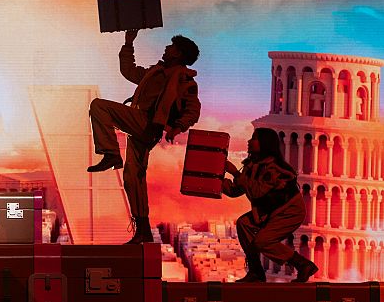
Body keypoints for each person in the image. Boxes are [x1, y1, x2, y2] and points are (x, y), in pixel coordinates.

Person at [87, 29, 202, 244]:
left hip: (146, 122)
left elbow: (193, 110)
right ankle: (143, 230)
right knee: (133, 178)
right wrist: (128, 43)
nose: (166, 49)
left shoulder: (183, 80)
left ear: (177, 54)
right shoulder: (156, 72)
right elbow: (129, 71)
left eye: (171, 47)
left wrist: (178, 126)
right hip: (141, 126)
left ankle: (110, 153)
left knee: (99, 106)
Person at [223, 127, 318, 282]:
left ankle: (302, 265)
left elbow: (257, 192)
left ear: (264, 143)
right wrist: (216, 180)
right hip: (269, 212)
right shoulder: (252, 165)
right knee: (243, 223)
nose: (249, 141)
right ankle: (255, 272)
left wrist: (235, 173)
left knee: (263, 241)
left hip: (289, 212)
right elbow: (237, 190)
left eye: (254, 138)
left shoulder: (274, 169)